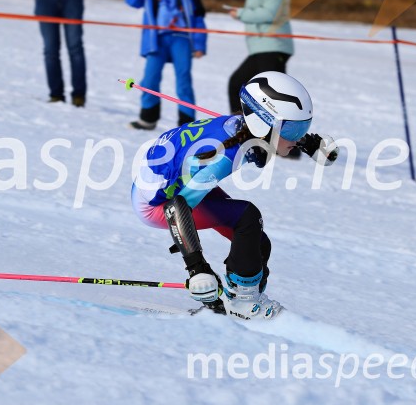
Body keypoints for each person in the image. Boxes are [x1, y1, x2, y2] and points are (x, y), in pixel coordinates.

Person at [130, 72, 338, 319]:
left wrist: (307, 144)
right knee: (246, 218)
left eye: (303, 127)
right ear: (264, 123)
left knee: (258, 245)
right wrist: (197, 269)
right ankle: (242, 304)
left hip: (174, 185)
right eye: (293, 129)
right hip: (158, 203)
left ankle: (237, 301)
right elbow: (177, 207)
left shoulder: (245, 128)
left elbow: (274, 132)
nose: (297, 135)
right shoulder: (225, 156)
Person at [124, 0, 207, 130]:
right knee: (150, 77)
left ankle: (187, 123)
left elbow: (197, 15)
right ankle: (148, 116)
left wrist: (199, 43)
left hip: (181, 38)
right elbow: (132, 0)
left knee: (183, 80)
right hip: (156, 38)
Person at [226, 0, 295, 112]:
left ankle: (277, 135)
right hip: (261, 47)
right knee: (238, 85)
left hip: (272, 46)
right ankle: (243, 131)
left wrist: (241, 13)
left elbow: (269, 13)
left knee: (270, 98)